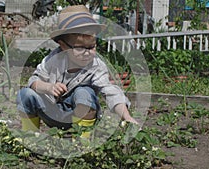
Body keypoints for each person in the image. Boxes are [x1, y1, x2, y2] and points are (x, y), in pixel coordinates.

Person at [16, 5, 138, 137]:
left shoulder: (96, 66)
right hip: (53, 113)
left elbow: (111, 91)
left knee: (84, 91)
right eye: (80, 48)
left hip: (81, 115)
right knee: (25, 94)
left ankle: (83, 141)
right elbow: (34, 81)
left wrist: (126, 117)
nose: (87, 53)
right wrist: (48, 87)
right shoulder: (53, 61)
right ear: (63, 46)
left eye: (91, 47)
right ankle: (29, 136)